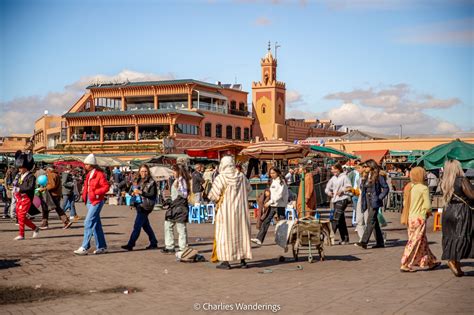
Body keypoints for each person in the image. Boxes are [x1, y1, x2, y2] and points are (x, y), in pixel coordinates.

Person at [209, 156, 252, 269]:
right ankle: (243, 260)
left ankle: (226, 261)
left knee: (225, 235)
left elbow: (213, 195)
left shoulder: (221, 178)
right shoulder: (241, 176)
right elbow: (249, 190)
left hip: (226, 211)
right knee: (241, 234)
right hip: (241, 211)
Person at [400, 167, 440, 272]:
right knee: (414, 241)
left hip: (410, 218)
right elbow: (427, 205)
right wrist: (427, 212)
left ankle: (430, 261)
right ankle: (405, 263)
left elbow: (405, 203)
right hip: (419, 218)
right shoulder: (423, 188)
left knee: (422, 241)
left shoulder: (409, 187)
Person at [440, 160, 474, 277]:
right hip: (461, 212)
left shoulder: (444, 181)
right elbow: (472, 195)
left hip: (448, 211)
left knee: (451, 237)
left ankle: (455, 264)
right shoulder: (462, 180)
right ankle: (453, 260)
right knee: (462, 236)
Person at [74, 154, 110, 255]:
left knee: (88, 222)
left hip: (96, 200)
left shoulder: (99, 174)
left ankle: (85, 246)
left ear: (91, 164)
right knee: (96, 224)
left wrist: (95, 192)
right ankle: (102, 247)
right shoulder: (89, 174)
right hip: (89, 200)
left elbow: (106, 187)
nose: (85, 166)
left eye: (86, 164)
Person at [122, 164, 158, 251]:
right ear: (139, 171)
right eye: (142, 171)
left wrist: (141, 192)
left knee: (137, 225)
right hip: (138, 204)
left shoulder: (151, 182)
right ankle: (153, 242)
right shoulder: (137, 180)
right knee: (146, 226)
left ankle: (130, 244)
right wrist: (129, 192)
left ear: (148, 172)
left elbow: (152, 194)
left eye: (145, 171)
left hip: (146, 206)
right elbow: (132, 191)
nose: (144, 173)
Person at [355, 159, 389, 249]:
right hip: (367, 199)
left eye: (366, 166)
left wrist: (380, 197)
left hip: (374, 200)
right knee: (374, 222)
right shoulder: (366, 176)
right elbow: (363, 188)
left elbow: (386, 188)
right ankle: (380, 242)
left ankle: (364, 241)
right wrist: (362, 181)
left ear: (371, 166)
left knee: (370, 220)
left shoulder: (378, 176)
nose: (364, 168)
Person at [251, 167, 289, 246]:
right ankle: (259, 239)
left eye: (273, 173)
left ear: (277, 173)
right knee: (266, 221)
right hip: (273, 205)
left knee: (282, 223)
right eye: (271, 173)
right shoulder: (273, 181)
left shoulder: (281, 182)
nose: (272, 175)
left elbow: (279, 195)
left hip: (280, 205)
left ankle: (285, 239)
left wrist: (269, 202)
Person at [162, 164, 191, 254]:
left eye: (174, 171)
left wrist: (173, 201)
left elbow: (184, 195)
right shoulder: (177, 180)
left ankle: (183, 248)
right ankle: (170, 246)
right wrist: (169, 200)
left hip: (180, 207)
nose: (173, 173)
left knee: (181, 228)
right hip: (175, 207)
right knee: (168, 225)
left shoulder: (182, 181)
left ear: (179, 171)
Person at [13, 151, 40, 240]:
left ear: (26, 167)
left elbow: (30, 187)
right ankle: (35, 228)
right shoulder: (19, 175)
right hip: (19, 197)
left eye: (21, 167)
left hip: (27, 198)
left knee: (21, 215)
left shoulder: (31, 176)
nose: (19, 169)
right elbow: (17, 185)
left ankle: (21, 234)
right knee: (20, 216)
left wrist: (19, 189)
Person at [325, 163, 352, 245]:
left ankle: (330, 237)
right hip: (335, 199)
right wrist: (329, 193)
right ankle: (345, 239)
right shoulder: (333, 178)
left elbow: (349, 187)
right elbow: (327, 188)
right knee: (340, 220)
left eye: (334, 169)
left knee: (335, 218)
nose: (333, 171)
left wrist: (342, 190)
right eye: (332, 169)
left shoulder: (344, 177)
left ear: (339, 169)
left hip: (343, 199)